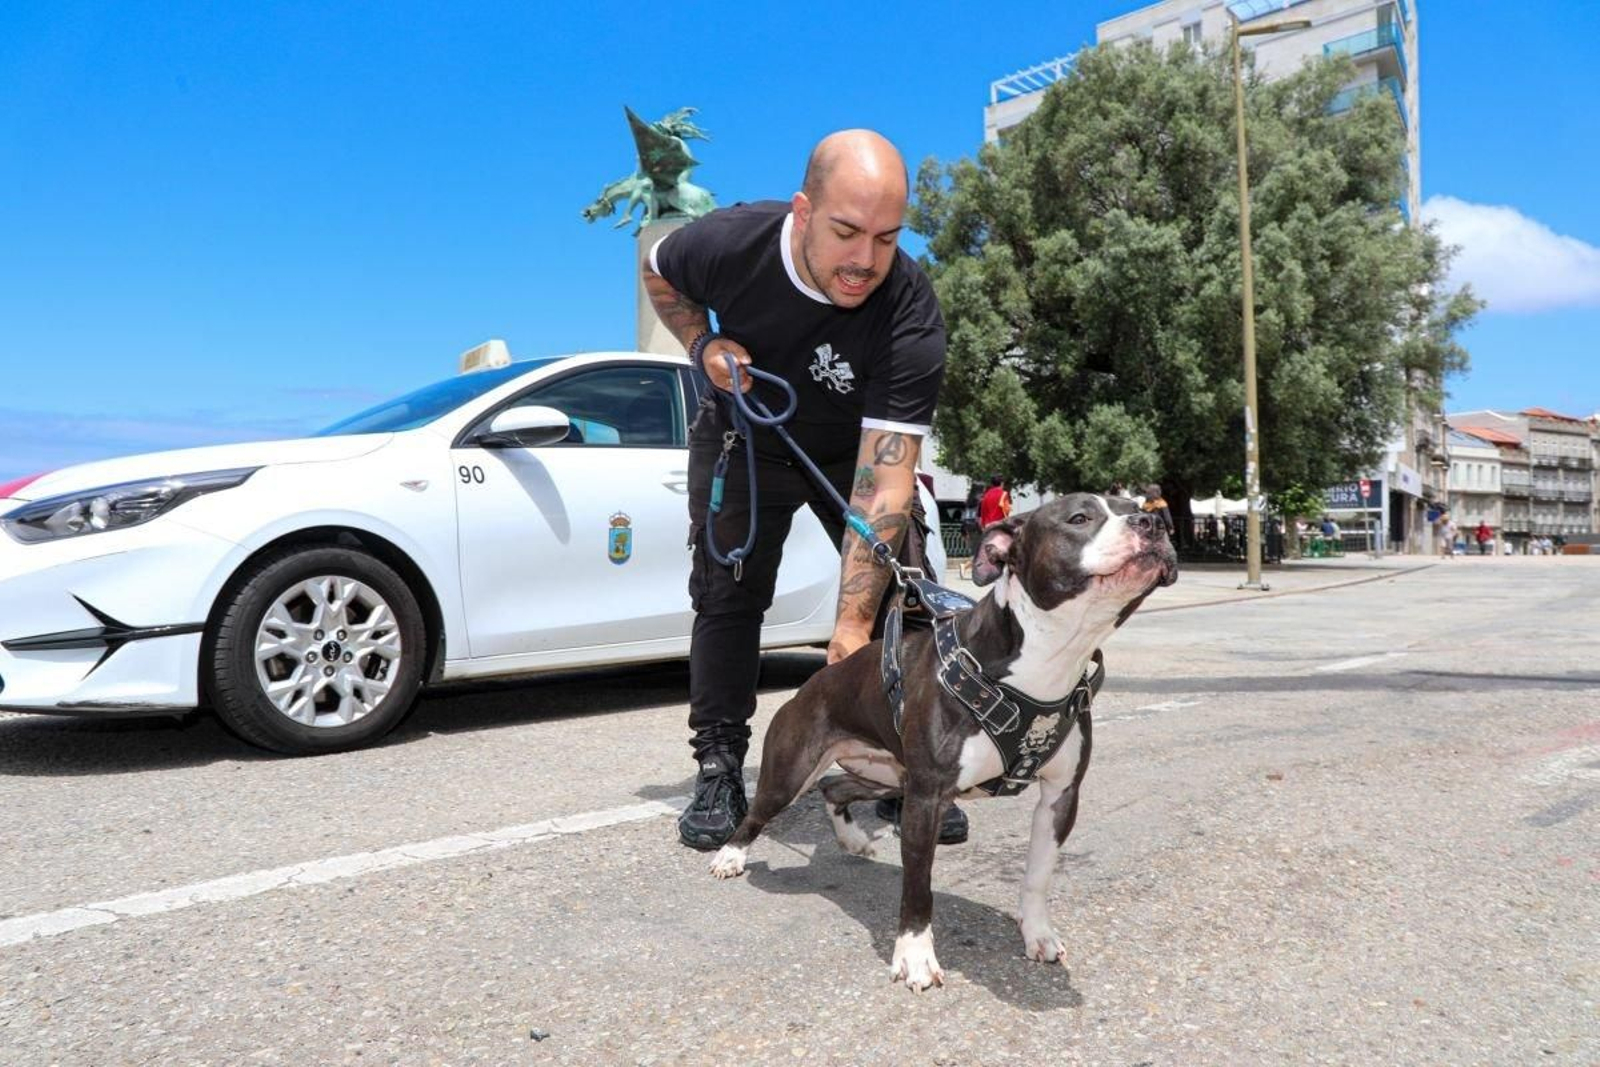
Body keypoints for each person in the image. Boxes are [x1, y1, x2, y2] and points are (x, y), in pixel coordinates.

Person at [642, 129, 969, 850]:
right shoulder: (730, 243)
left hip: (851, 449)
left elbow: (883, 482)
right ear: (803, 210)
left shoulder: (909, 308)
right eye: (847, 232)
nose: (864, 261)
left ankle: (912, 765)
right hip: (746, 433)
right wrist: (703, 345)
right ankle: (721, 763)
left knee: (901, 595)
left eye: (886, 239)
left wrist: (850, 623)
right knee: (729, 592)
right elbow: (657, 269)